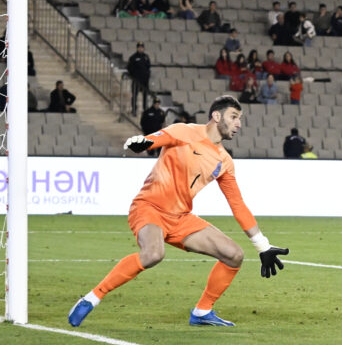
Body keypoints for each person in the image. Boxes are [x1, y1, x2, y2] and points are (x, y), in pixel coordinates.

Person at [68, 96, 289, 328]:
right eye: (234, 117)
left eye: (240, 119)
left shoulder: (224, 161)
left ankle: (202, 312)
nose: (238, 124)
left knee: (234, 255)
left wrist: (262, 245)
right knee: (154, 253)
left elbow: (237, 204)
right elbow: (156, 139)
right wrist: (141, 142)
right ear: (216, 116)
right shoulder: (184, 131)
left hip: (180, 218)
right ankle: (91, 298)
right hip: (149, 208)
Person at [127, 42, 151, 116]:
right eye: (139, 47)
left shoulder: (146, 57)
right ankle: (134, 110)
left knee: (145, 96)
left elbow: (148, 67)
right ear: (137, 48)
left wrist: (147, 75)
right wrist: (134, 76)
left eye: (142, 47)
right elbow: (129, 68)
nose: (140, 49)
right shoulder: (133, 57)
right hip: (136, 80)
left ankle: (145, 110)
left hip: (144, 80)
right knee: (134, 95)